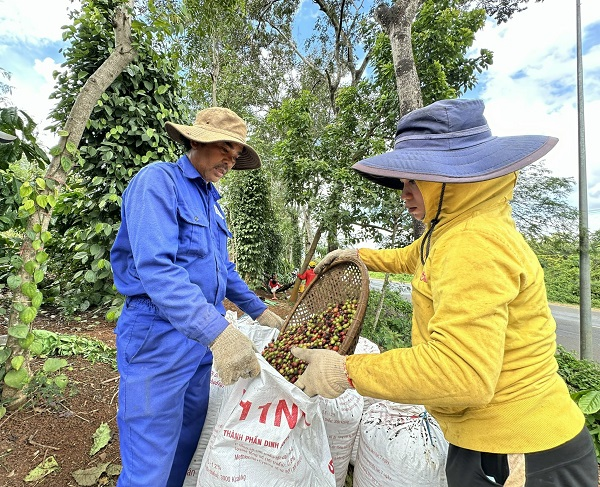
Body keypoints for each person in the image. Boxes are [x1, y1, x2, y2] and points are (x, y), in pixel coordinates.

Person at [291, 99, 598, 486]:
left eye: (413, 179)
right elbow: (412, 258)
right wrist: (358, 255)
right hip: (487, 437)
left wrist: (344, 370)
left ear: (450, 176)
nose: (404, 192)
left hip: (521, 451)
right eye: (402, 182)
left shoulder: (473, 242)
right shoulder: (454, 228)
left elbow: (460, 372)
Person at [110, 107, 284, 487]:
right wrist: (219, 332)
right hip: (157, 336)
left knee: (185, 443)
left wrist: (260, 311)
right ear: (195, 140)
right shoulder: (158, 182)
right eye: (225, 148)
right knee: (150, 460)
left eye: (236, 155)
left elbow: (223, 272)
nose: (230, 160)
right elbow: (157, 270)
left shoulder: (210, 201)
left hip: (199, 342)